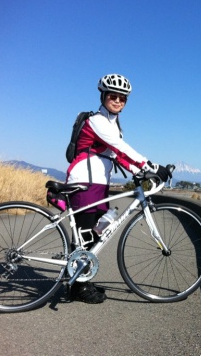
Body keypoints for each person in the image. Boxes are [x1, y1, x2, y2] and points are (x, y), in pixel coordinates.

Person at [66, 73, 171, 304]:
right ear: (103, 96)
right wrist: (150, 165)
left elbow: (115, 155)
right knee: (85, 233)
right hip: (84, 178)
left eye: (122, 98)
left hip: (99, 181)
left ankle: (79, 277)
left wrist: (139, 172)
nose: (117, 101)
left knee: (99, 228)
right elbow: (120, 147)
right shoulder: (97, 121)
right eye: (113, 96)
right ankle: (77, 286)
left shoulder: (113, 124)